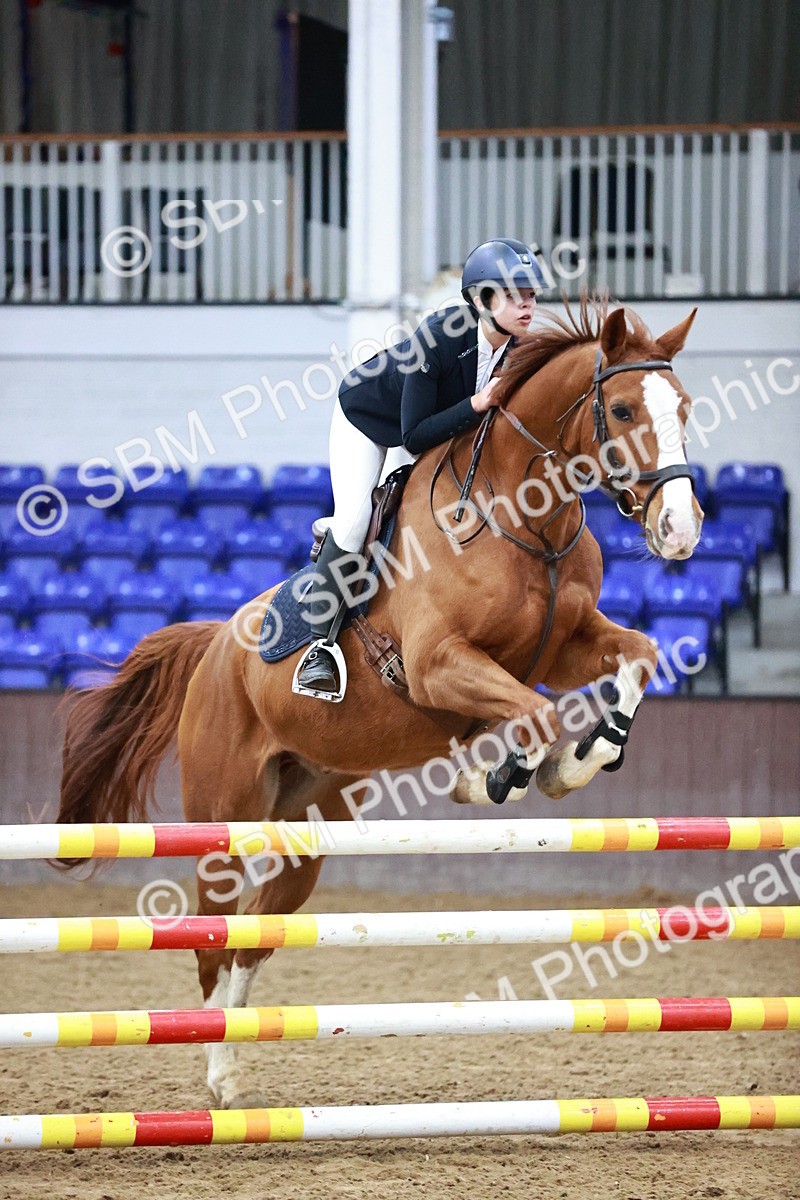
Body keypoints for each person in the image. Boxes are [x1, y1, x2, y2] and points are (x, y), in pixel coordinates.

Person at [293, 238, 549, 701]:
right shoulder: (442, 334)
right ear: (481, 300)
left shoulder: (517, 347)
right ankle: (320, 646)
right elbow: (412, 436)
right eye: (515, 294)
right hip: (369, 421)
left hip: (430, 430)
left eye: (532, 294)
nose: (528, 304)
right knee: (355, 520)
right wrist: (478, 403)